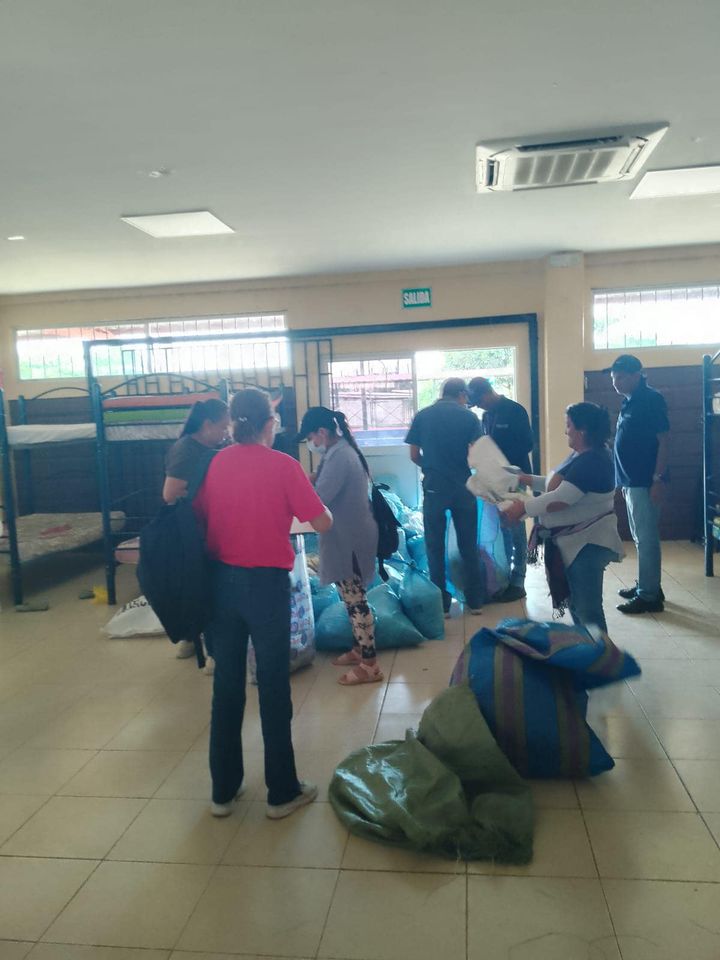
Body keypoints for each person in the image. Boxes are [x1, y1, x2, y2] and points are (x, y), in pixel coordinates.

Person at [193, 388, 332, 819]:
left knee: (227, 686)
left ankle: (223, 791)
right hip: (266, 587)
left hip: (221, 585)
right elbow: (321, 521)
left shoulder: (215, 463)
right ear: (270, 423)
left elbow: (203, 516)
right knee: (272, 686)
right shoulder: (283, 466)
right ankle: (282, 792)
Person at [503, 402, 623, 634]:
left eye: (568, 425)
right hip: (575, 543)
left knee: (587, 609)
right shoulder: (582, 455)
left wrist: (523, 507)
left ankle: (600, 652)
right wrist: (525, 478)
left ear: (582, 430)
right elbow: (556, 484)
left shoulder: (593, 461)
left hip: (588, 544)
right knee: (577, 604)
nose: (565, 431)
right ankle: (588, 647)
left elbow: (561, 499)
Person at [296, 406, 382, 685]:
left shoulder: (340, 456)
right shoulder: (338, 451)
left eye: (311, 438)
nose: (311, 444)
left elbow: (319, 498)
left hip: (350, 539)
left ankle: (370, 664)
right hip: (347, 535)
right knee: (349, 596)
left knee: (356, 600)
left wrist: (295, 493)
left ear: (322, 432)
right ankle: (359, 648)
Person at [405, 378, 484, 616]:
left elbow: (413, 455)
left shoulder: (423, 416)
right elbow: (478, 455)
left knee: (434, 547)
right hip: (463, 487)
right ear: (461, 394)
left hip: (434, 488)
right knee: (468, 545)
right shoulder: (470, 418)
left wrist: (432, 467)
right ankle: (475, 602)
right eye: (466, 397)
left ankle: (442, 605)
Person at [163, 398, 230, 661]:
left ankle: (194, 640)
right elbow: (170, 493)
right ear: (207, 424)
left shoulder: (207, 448)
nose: (225, 433)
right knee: (205, 588)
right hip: (190, 530)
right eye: (222, 427)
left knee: (201, 587)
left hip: (203, 527)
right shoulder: (186, 449)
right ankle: (208, 650)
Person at [606, 354, 669, 614]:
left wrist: (658, 479)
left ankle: (649, 596)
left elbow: (663, 441)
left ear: (636, 375)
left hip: (646, 481)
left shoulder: (651, 399)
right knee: (640, 537)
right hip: (631, 481)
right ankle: (649, 585)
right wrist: (622, 480)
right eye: (613, 378)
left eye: (620, 377)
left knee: (646, 538)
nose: (615, 383)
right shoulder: (629, 401)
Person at [467, 377, 534, 603]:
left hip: (516, 478)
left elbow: (527, 444)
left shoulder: (515, 410)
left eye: (480, 401)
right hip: (495, 480)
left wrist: (499, 456)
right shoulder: (486, 416)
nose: (479, 406)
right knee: (503, 527)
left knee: (516, 528)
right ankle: (504, 576)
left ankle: (519, 581)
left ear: (488, 392)